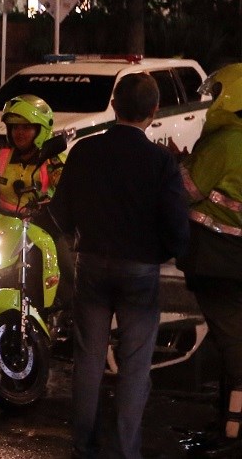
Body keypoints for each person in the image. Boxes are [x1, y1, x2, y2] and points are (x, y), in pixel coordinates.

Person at [49, 73, 189, 459]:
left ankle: (84, 445)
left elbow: (60, 212)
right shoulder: (160, 161)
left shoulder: (84, 152)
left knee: (89, 359)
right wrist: (168, 251)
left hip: (91, 262)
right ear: (154, 110)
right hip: (140, 269)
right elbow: (175, 224)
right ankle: (128, 450)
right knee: (134, 363)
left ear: (114, 104)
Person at [177, 63, 242, 456]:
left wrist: (176, 167)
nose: (212, 101)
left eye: (216, 94)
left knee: (231, 341)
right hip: (235, 257)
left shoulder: (225, 141)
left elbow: (188, 190)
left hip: (216, 259)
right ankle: (227, 419)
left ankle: (232, 428)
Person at [0, 94, 72, 299]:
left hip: (42, 224)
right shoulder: (0, 155)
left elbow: (69, 187)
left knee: (65, 268)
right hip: (4, 225)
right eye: (15, 127)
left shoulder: (53, 159)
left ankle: (71, 315)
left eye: (26, 127)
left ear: (40, 130)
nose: (19, 133)